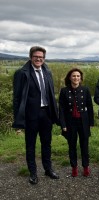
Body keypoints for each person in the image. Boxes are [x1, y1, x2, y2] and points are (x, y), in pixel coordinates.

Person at [12, 46, 60, 184]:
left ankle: (48, 169)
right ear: (30, 57)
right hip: (30, 116)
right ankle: (33, 173)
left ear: (44, 58)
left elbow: (51, 95)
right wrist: (18, 119)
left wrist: (54, 114)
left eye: (41, 57)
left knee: (47, 144)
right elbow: (17, 98)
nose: (39, 59)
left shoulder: (48, 72)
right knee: (30, 145)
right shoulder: (22, 73)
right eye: (36, 56)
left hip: (46, 114)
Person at [59, 68, 94, 177]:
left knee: (84, 146)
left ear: (81, 78)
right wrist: (63, 124)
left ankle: (85, 167)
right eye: (74, 76)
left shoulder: (85, 90)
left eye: (78, 76)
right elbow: (61, 109)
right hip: (70, 123)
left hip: (83, 122)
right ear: (70, 77)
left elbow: (90, 107)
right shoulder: (64, 91)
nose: (76, 78)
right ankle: (74, 168)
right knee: (72, 146)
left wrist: (91, 123)